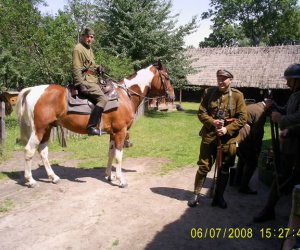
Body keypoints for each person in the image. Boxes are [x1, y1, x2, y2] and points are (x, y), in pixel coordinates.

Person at [188, 69, 247, 209]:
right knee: (203, 166)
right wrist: (212, 122)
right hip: (209, 136)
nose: (220, 81)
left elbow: (243, 118)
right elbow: (201, 112)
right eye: (218, 78)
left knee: (224, 168)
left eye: (223, 79)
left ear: (230, 80)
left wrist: (227, 129)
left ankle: (219, 196)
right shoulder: (209, 93)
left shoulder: (238, 96)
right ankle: (195, 195)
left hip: (228, 139)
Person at [253, 63, 300, 222]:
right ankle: (269, 210)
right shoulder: (294, 95)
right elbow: (286, 110)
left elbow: (296, 118)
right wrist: (275, 106)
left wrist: (281, 119)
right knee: (279, 176)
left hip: (297, 146)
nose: (287, 83)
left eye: (290, 80)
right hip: (288, 145)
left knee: (292, 180)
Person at [72, 27, 108, 136]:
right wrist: (79, 84)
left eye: (91, 37)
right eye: (87, 36)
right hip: (85, 81)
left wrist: (98, 67)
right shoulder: (78, 48)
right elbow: (76, 68)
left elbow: (90, 65)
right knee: (103, 99)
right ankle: (91, 127)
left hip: (92, 79)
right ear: (83, 36)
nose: (89, 39)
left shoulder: (89, 48)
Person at [235, 98, 273, 194]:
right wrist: (257, 148)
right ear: (269, 107)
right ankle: (243, 187)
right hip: (243, 135)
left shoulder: (255, 106)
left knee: (243, 159)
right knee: (252, 162)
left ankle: (237, 181)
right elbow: (258, 132)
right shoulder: (260, 111)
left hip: (239, 134)